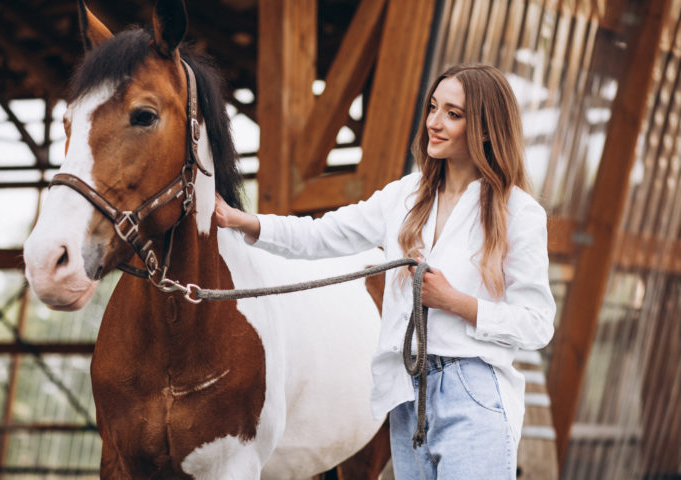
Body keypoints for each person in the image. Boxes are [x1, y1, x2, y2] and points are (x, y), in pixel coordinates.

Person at [214, 64, 555, 479]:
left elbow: (538, 324)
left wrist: (456, 302)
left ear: (485, 128)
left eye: (453, 113)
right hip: (408, 395)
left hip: (475, 389)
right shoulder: (404, 196)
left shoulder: (518, 212)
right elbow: (321, 235)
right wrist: (244, 221)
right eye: (433, 108)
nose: (433, 122)